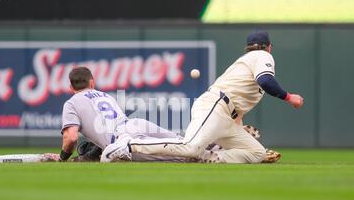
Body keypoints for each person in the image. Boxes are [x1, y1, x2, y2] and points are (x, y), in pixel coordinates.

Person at [101, 30, 304, 164]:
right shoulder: (263, 56)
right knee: (189, 147)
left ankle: (211, 157)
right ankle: (127, 145)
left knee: (257, 153)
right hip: (215, 106)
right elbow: (266, 82)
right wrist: (289, 97)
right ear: (269, 46)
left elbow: (241, 93)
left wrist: (238, 121)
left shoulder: (247, 59)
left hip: (226, 115)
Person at [43, 66, 186, 162]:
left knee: (177, 157)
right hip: (135, 124)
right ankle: (206, 146)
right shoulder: (105, 95)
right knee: (185, 142)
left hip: (122, 144)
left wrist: (62, 158)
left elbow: (71, 137)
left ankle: (203, 154)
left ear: (71, 87)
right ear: (92, 83)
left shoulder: (71, 103)